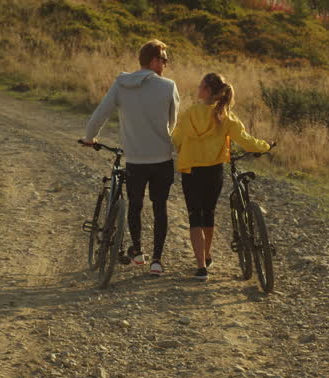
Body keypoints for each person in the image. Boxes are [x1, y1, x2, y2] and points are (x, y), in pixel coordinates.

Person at [81, 39, 179, 276]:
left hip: (135, 158)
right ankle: (156, 260)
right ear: (154, 61)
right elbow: (173, 122)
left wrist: (90, 137)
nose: (165, 64)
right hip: (162, 158)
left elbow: (101, 113)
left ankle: (137, 252)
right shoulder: (168, 86)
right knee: (160, 207)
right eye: (164, 59)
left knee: (134, 205)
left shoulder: (121, 84)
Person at [171, 72, 270, 281]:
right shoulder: (225, 116)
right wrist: (265, 146)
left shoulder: (190, 113)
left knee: (194, 216)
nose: (197, 89)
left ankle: (200, 267)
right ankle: (206, 255)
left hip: (192, 170)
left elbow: (177, 139)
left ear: (206, 91)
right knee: (209, 213)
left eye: (200, 86)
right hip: (214, 170)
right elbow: (245, 139)